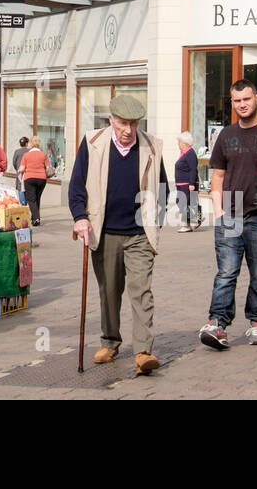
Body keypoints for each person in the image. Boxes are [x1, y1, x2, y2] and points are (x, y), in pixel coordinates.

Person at [69, 94, 165, 376]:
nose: (128, 130)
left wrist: (153, 218)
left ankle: (143, 351)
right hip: (105, 231)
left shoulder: (151, 146)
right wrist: (80, 218)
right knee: (109, 291)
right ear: (111, 120)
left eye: (133, 124)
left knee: (142, 291)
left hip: (139, 233)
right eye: (123, 124)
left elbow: (163, 188)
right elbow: (77, 186)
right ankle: (110, 341)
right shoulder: (92, 143)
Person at [198, 78, 257, 350]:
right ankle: (217, 323)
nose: (242, 105)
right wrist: (217, 211)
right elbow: (218, 175)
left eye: (246, 99)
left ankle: (256, 324)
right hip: (229, 212)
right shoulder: (226, 135)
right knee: (226, 272)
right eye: (237, 101)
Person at [17, 135, 49, 227]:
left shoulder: (26, 155)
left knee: (31, 199)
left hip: (30, 178)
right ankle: (35, 219)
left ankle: (36, 218)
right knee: (37, 198)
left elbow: (22, 168)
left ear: (30, 143)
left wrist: (19, 172)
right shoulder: (43, 154)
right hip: (42, 179)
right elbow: (48, 167)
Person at [174, 132, 200, 232]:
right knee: (181, 202)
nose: (178, 144)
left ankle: (186, 225)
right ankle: (188, 224)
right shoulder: (184, 154)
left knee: (185, 203)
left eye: (179, 142)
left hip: (187, 184)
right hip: (181, 184)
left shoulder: (190, 154)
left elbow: (193, 169)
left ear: (185, 143)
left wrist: (192, 183)